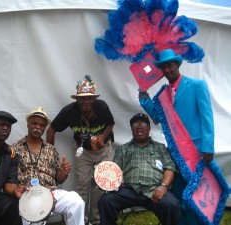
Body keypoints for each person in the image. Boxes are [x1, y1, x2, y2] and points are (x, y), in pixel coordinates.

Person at [139, 49, 214, 225]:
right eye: (163, 67)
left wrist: (208, 146)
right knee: (180, 191)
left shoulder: (197, 85)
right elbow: (158, 118)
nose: (167, 70)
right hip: (175, 153)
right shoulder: (164, 94)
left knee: (198, 193)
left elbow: (207, 118)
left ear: (177, 65)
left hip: (196, 151)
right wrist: (146, 101)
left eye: (170, 66)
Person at [46, 75, 115, 225]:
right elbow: (51, 130)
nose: (86, 101)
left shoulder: (102, 107)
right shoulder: (68, 112)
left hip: (103, 150)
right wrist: (49, 154)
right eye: (82, 98)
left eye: (89, 98)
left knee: (99, 185)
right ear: (76, 99)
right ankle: (80, 220)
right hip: (83, 150)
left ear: (94, 99)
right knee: (82, 185)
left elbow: (110, 123)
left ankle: (96, 220)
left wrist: (103, 136)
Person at [98, 113, 180, 225]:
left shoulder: (160, 148)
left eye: (143, 123)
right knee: (106, 200)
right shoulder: (123, 149)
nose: (139, 126)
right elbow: (114, 171)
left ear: (149, 128)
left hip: (155, 190)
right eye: (136, 124)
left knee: (171, 204)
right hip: (128, 190)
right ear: (131, 129)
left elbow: (170, 168)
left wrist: (164, 186)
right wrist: (117, 180)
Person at [11, 107, 85, 225]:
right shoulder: (15, 149)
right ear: (28, 124)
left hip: (50, 192)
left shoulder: (51, 149)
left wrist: (64, 172)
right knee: (30, 214)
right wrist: (20, 189)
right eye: (34, 123)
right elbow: (11, 178)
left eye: (42, 125)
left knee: (76, 201)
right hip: (28, 193)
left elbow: (59, 179)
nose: (38, 127)